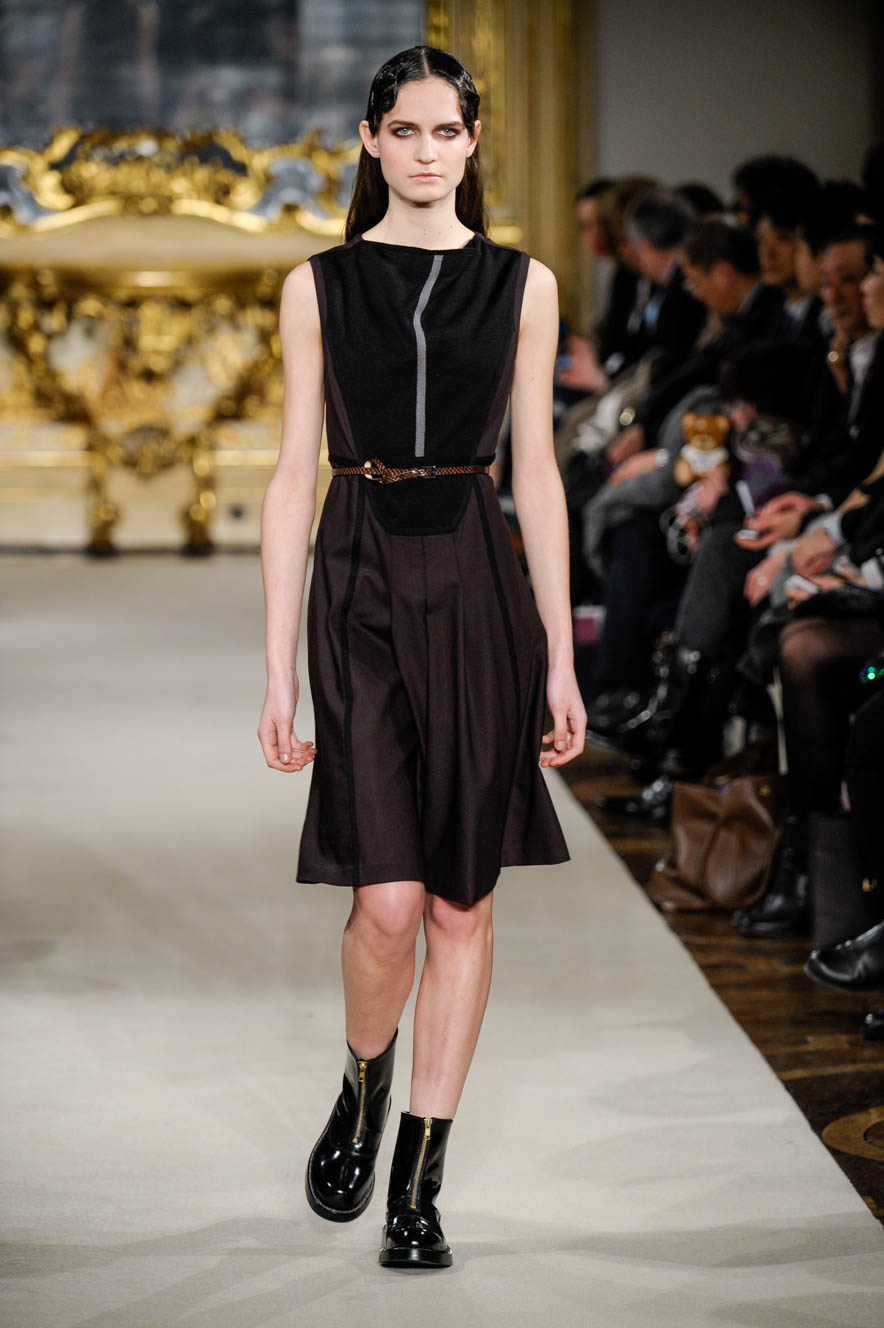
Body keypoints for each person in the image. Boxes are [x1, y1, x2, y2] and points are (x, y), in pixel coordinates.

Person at [256, 45, 585, 1271]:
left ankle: (417, 1182)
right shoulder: (318, 285)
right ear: (369, 139)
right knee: (385, 904)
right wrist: (277, 668)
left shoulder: (521, 284)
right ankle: (363, 1076)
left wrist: (560, 655)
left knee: (459, 899)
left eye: (448, 131)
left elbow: (537, 474)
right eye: (406, 130)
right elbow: (290, 476)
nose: (428, 152)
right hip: (356, 578)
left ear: (472, 141)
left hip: (478, 582)